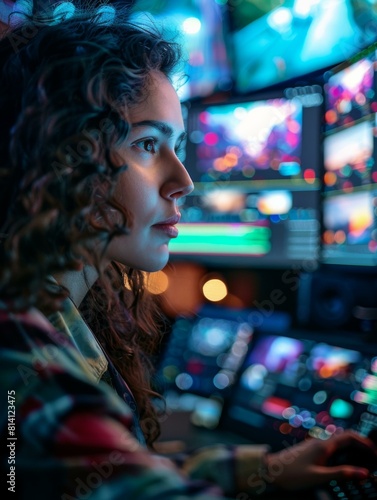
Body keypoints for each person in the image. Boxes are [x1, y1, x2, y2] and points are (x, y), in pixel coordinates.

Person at [0, 7, 376, 500]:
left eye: (177, 145)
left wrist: (263, 470)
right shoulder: (25, 363)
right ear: (63, 157)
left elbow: (119, 467)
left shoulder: (49, 318)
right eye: (147, 144)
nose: (184, 181)